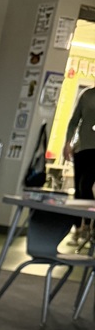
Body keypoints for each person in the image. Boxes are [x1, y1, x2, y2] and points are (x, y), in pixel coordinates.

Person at [63, 87, 95, 247]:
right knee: (78, 189)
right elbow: (74, 121)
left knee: (85, 184)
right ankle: (77, 228)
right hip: (82, 148)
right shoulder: (87, 95)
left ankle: (88, 227)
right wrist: (68, 143)